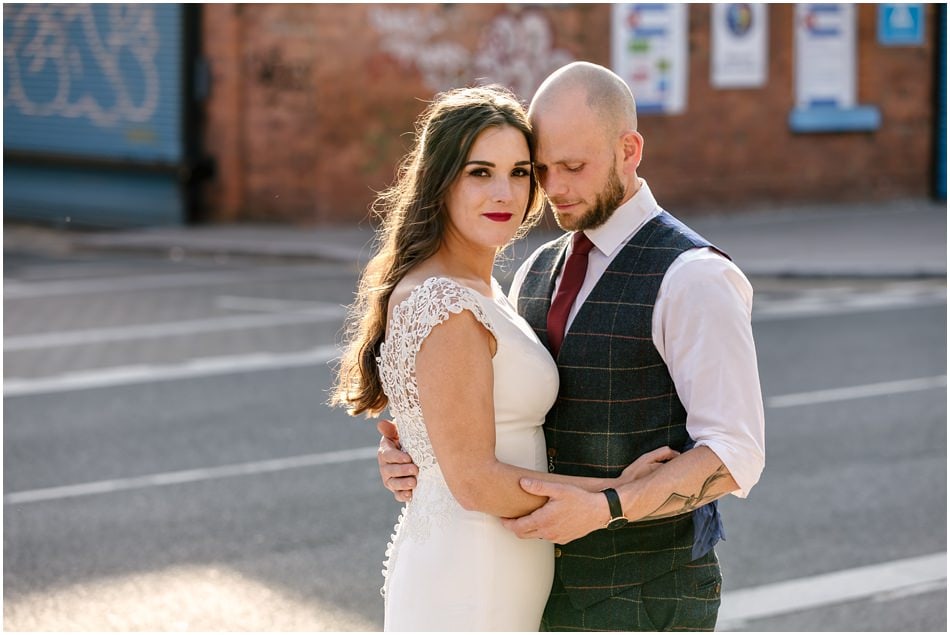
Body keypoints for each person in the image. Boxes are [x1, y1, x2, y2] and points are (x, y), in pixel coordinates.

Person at [377, 62, 766, 631]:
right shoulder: (536, 269)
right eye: (543, 168)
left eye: (574, 167)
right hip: (536, 589)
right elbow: (487, 411)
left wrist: (611, 504)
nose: (553, 188)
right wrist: (418, 452)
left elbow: (736, 454)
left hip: (645, 594)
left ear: (629, 150)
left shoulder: (694, 277)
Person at [332, 84, 677, 632]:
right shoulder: (446, 304)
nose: (505, 193)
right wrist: (620, 493)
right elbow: (475, 481)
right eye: (480, 172)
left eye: (520, 172)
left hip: (497, 562)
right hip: (473, 573)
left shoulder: (483, 289)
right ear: (440, 181)